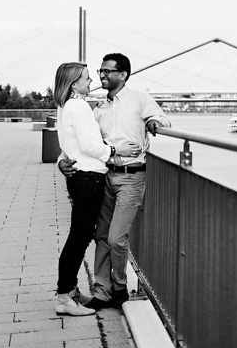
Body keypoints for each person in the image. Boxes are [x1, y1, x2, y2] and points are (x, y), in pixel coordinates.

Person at [58, 53, 170, 310]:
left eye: (108, 71)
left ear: (123, 75)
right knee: (101, 236)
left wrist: (153, 120)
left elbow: (163, 119)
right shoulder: (97, 109)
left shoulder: (140, 99)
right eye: (100, 71)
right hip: (105, 176)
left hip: (132, 177)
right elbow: (79, 142)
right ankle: (102, 291)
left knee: (117, 238)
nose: (102, 75)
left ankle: (119, 287)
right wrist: (61, 161)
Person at [53, 62, 140, 316]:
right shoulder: (79, 106)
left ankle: (68, 292)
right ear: (73, 84)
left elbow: (69, 144)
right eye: (86, 78)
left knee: (77, 236)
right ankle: (64, 296)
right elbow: (90, 145)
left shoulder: (65, 106)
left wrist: (64, 160)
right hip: (88, 178)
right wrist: (113, 150)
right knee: (79, 238)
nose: (91, 82)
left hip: (80, 177)